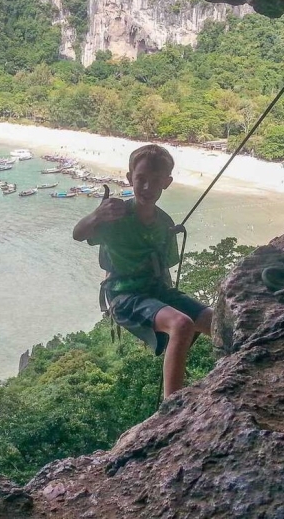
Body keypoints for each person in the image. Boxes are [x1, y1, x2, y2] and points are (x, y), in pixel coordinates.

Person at [73, 144, 212, 397]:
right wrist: (97, 215)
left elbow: (164, 268)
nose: (147, 187)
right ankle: (172, 408)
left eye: (155, 181)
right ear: (130, 179)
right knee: (181, 324)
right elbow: (78, 234)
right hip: (124, 296)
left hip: (157, 291)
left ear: (166, 183)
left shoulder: (164, 223)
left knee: (218, 320)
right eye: (141, 179)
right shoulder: (115, 216)